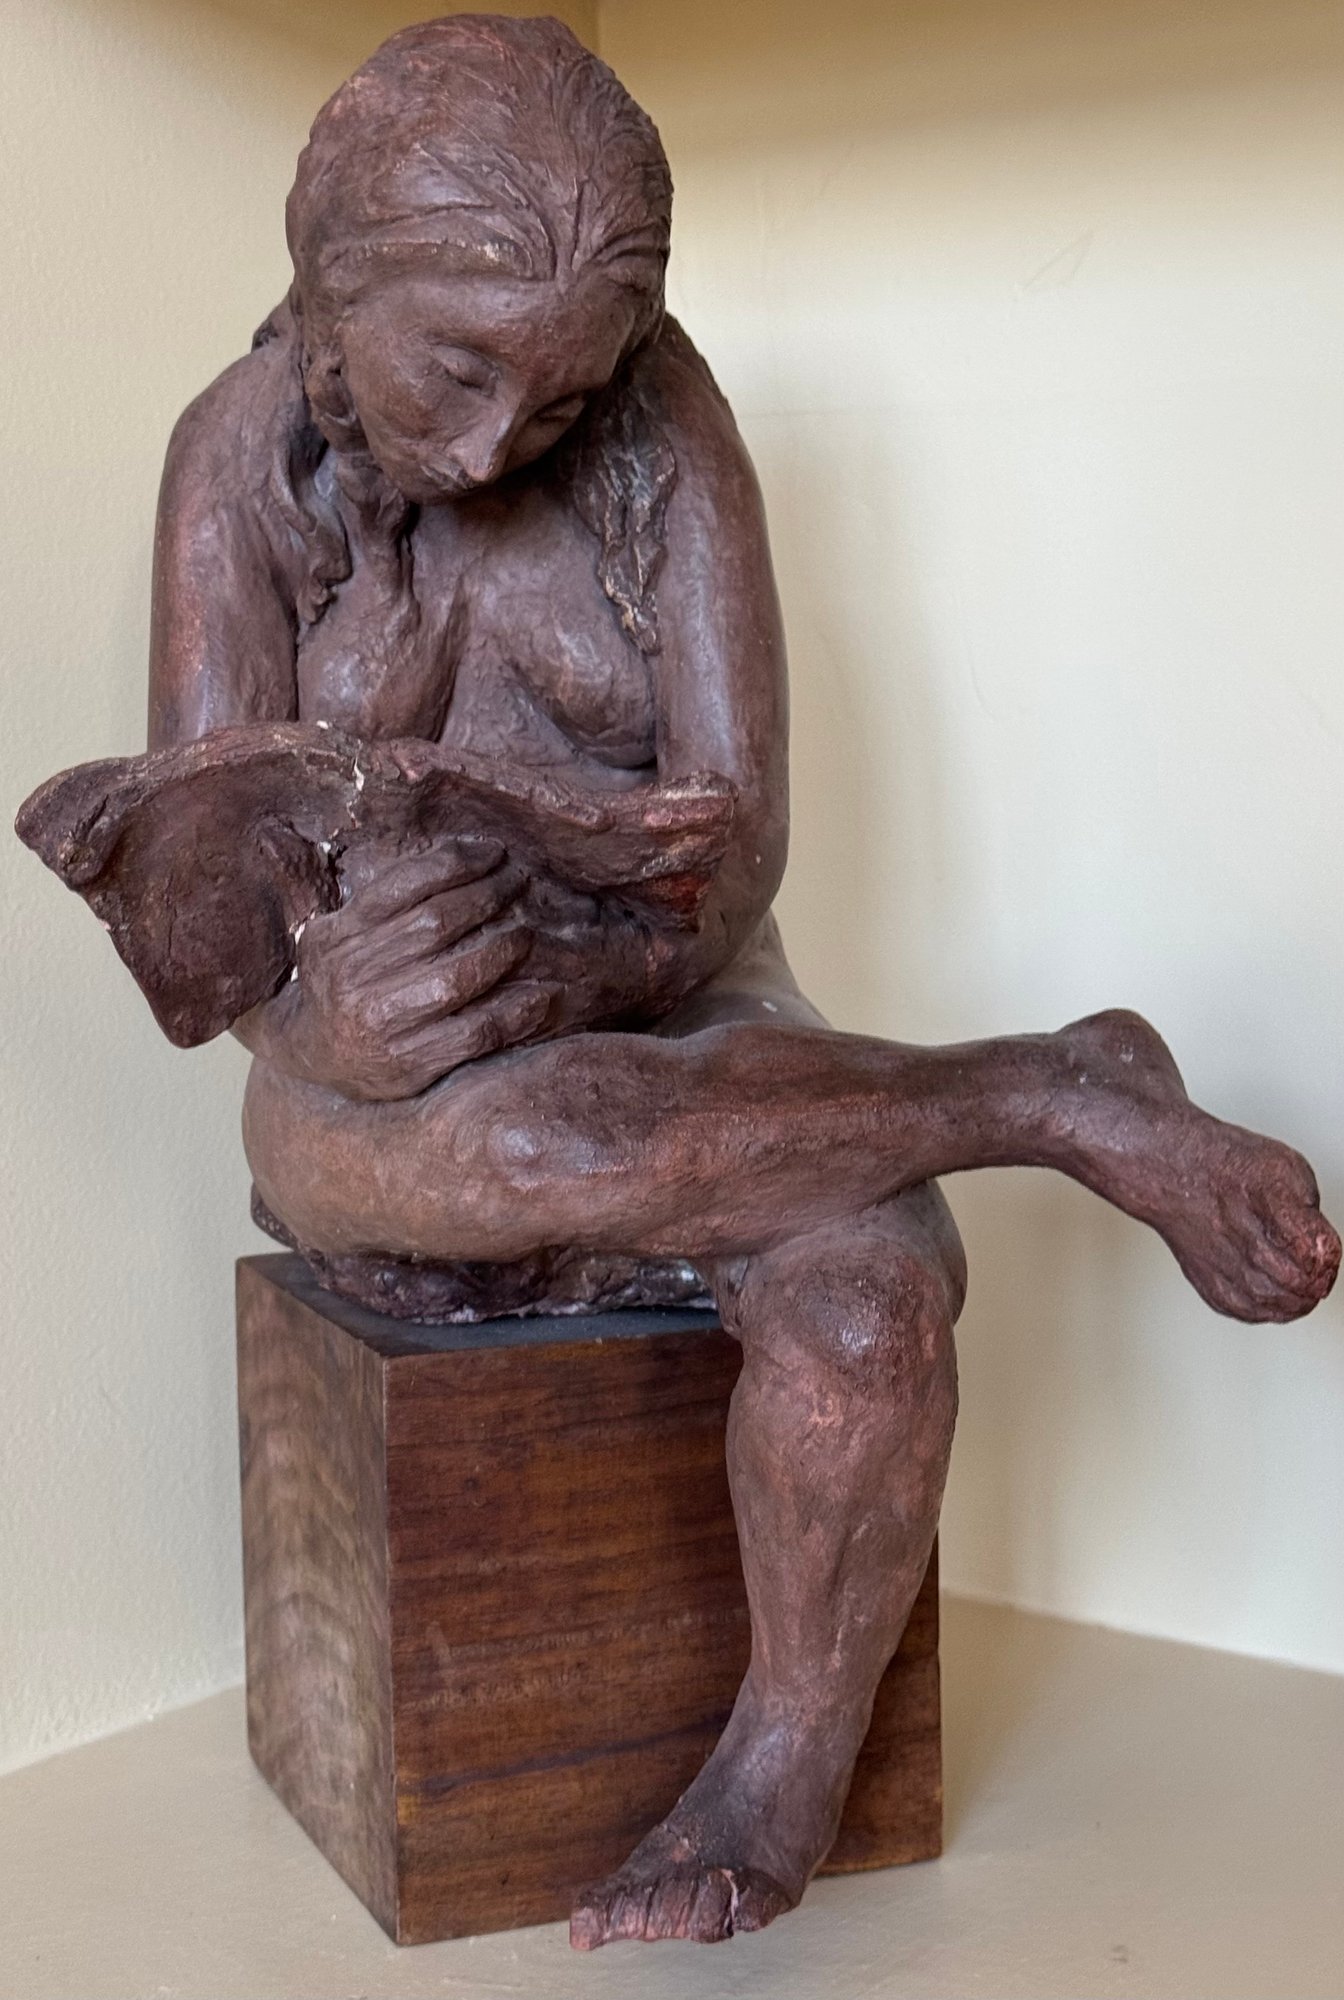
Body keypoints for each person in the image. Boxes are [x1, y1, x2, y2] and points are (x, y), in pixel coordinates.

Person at [147, 17, 1338, 1946]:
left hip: (682, 1006)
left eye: (557, 392)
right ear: (334, 286)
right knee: (528, 1144)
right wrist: (318, 1013)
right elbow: (207, 905)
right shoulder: (233, 466)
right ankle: (1051, 1087)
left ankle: (784, 1764)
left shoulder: (666, 427)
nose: (494, 444)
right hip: (374, 1080)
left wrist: (593, 959)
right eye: (458, 371)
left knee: (872, 1307)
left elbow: (739, 840)